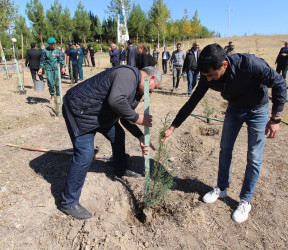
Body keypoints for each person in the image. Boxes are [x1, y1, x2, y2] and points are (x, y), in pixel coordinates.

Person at [162, 44, 286, 223]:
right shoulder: (207, 76)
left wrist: (275, 118)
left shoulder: (250, 65)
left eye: (211, 75)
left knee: (253, 157)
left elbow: (280, 83)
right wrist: (173, 126)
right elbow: (193, 100)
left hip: (258, 110)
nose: (209, 80)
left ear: (224, 65)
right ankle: (221, 187)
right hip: (234, 109)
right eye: (205, 76)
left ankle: (245, 200)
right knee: (225, 148)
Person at [61, 66, 162, 220]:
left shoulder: (135, 92)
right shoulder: (127, 75)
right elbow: (116, 101)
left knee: (118, 134)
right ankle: (68, 202)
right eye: (154, 88)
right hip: (79, 111)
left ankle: (120, 168)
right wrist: (137, 117)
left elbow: (123, 116)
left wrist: (140, 136)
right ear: (151, 78)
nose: (152, 92)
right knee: (85, 154)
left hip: (99, 115)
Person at [38, 38, 65, 103]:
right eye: (52, 44)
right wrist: (41, 68)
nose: (54, 45)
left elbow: (60, 60)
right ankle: (52, 96)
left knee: (57, 83)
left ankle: (58, 96)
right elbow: (42, 61)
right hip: (48, 69)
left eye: (54, 44)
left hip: (56, 69)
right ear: (49, 44)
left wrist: (63, 67)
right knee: (50, 83)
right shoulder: (45, 51)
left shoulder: (57, 51)